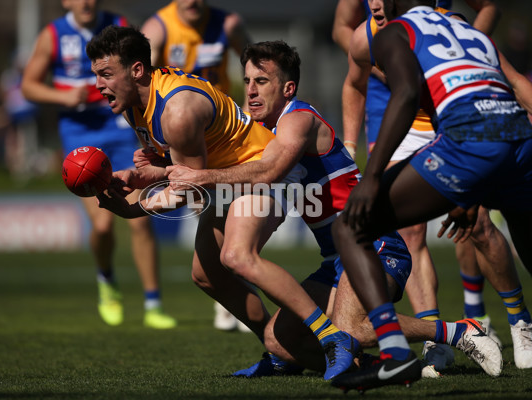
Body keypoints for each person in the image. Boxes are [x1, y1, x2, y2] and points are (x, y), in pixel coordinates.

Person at [166, 40, 502, 379]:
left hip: (375, 244)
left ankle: (458, 331)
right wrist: (155, 174)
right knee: (276, 339)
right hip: (336, 260)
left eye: (262, 81)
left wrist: (198, 176)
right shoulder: (262, 132)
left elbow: (267, 172)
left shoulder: (298, 120)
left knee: (351, 328)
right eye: (248, 80)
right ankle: (358, 365)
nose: (250, 90)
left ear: (288, 88)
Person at [86, 24, 382, 381]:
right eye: (96, 75)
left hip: (258, 171)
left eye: (105, 74)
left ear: (136, 70)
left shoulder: (175, 111)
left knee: (237, 256)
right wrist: (137, 177)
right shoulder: (136, 102)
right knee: (206, 275)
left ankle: (332, 338)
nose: (98, 85)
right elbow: (177, 169)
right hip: (226, 175)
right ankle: (279, 353)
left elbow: (188, 190)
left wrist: (134, 208)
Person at [331, 0, 532, 392]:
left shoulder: (394, 31)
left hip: (471, 141)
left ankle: (395, 354)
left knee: (350, 226)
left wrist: (372, 177)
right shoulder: (471, 32)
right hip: (520, 139)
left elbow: (405, 95)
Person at [20, 0, 176, 329]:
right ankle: (107, 280)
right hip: (80, 137)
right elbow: (28, 86)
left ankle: (153, 303)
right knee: (103, 223)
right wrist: (64, 97)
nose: (87, 1)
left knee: (141, 218)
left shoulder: (117, 25)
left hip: (120, 127)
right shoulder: (53, 34)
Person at [141, 0, 252, 331]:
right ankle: (232, 294)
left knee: (217, 210)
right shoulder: (158, 28)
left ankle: (234, 295)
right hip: (182, 134)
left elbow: (257, 65)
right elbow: (139, 83)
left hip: (223, 132)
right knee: (204, 205)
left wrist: (251, 109)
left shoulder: (229, 24)